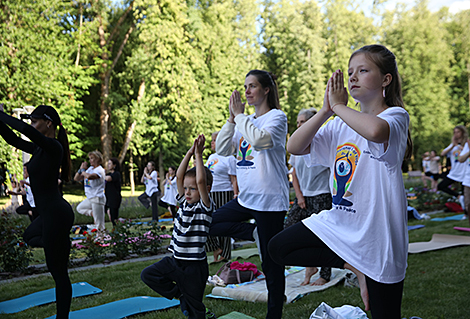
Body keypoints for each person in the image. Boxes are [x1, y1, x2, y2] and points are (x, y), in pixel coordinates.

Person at [269, 45, 412, 319]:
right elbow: (294, 146)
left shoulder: (395, 116)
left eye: (363, 70)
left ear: (386, 79)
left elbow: (374, 130)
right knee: (279, 248)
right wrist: (325, 112)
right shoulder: (338, 124)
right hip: (340, 224)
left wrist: (338, 107)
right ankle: (355, 267)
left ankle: (364, 269)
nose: (353, 77)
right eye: (350, 72)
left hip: (378, 238)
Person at [210, 70, 289, 319]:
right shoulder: (244, 121)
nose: (247, 91)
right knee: (211, 222)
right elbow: (222, 148)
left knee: (271, 262)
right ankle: (252, 232)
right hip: (246, 198)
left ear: (266, 90)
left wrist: (242, 117)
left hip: (269, 200)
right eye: (245, 86)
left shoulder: (277, 117)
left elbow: (261, 142)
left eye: (252, 86)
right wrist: (232, 119)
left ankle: (274, 314)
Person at [0, 104, 74, 318]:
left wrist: (2, 115)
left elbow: (27, 132)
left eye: (35, 119)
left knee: (59, 273)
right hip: (51, 214)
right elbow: (13, 139)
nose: (32, 123)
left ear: (48, 122)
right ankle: (60, 241)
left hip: (56, 213)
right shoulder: (41, 149)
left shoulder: (54, 147)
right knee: (30, 236)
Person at [141, 134, 215, 319]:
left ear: (206, 189)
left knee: (195, 311)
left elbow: (200, 181)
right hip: (175, 261)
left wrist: (199, 155)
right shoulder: (184, 202)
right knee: (148, 275)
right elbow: (180, 177)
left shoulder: (204, 207)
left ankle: (196, 308)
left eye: (194, 189)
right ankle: (180, 294)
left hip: (194, 268)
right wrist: (190, 152)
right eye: (186, 188)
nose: (188, 192)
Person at [286, 108, 332, 286]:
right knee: (289, 228)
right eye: (297, 122)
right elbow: (294, 174)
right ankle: (310, 265)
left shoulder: (323, 144)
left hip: (322, 196)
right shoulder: (297, 144)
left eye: (302, 122)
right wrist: (299, 196)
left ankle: (324, 274)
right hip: (303, 197)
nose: (298, 125)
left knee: (323, 236)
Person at [205, 131, 239, 262]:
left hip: (224, 192)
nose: (212, 142)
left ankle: (224, 252)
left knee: (225, 223)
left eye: (214, 140)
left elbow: (234, 179)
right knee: (208, 221)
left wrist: (235, 194)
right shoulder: (211, 157)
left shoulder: (229, 158)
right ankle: (215, 248)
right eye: (212, 140)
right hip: (210, 193)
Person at [74, 150, 107, 232]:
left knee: (99, 224)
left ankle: (101, 239)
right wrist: (80, 169)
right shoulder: (90, 169)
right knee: (79, 208)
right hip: (90, 197)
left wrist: (83, 171)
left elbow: (89, 176)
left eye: (92, 158)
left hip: (97, 198)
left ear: (98, 159)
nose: (90, 160)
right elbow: (76, 178)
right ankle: (93, 213)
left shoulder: (100, 170)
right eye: (89, 158)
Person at [437, 126, 468, 209]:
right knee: (441, 186)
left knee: (466, 194)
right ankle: (458, 196)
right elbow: (443, 153)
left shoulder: (466, 144)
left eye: (458, 132)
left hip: (464, 172)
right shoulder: (452, 146)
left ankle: (466, 212)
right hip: (454, 172)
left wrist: (458, 146)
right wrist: (453, 145)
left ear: (462, 132)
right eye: (455, 132)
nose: (456, 134)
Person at [105, 157, 122, 226]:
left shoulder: (116, 174)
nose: (108, 165)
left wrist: (102, 174)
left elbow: (109, 179)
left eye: (110, 164)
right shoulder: (108, 174)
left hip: (114, 198)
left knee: (114, 218)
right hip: (108, 197)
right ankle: (109, 212)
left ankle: (116, 230)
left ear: (114, 165)